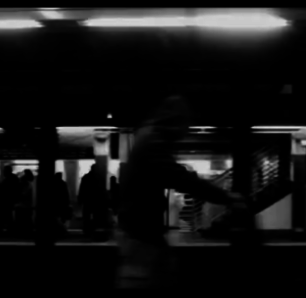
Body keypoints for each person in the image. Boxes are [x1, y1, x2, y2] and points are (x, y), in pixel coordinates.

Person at [116, 95, 247, 289]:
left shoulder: (148, 137)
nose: (185, 133)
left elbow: (176, 176)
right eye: (185, 126)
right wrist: (225, 196)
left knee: (158, 273)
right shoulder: (153, 142)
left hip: (140, 229)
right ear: (175, 122)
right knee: (144, 279)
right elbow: (179, 178)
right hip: (141, 232)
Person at [78, 165, 108, 236]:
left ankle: (86, 230)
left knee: (86, 216)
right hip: (96, 200)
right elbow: (102, 190)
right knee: (96, 215)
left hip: (87, 200)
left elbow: (82, 189)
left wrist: (80, 199)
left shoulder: (85, 177)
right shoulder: (99, 178)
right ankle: (94, 229)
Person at [0, 165, 20, 234]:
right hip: (11, 200)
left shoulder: (8, 179)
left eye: (4, 170)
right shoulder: (14, 178)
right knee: (9, 215)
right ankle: (10, 228)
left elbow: (4, 189)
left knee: (8, 215)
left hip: (8, 200)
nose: (3, 172)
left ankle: (10, 228)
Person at [14, 170, 35, 235]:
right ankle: (26, 231)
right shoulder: (31, 184)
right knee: (27, 219)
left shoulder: (27, 184)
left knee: (22, 220)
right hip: (27, 205)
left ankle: (23, 232)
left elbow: (23, 194)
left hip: (22, 205)